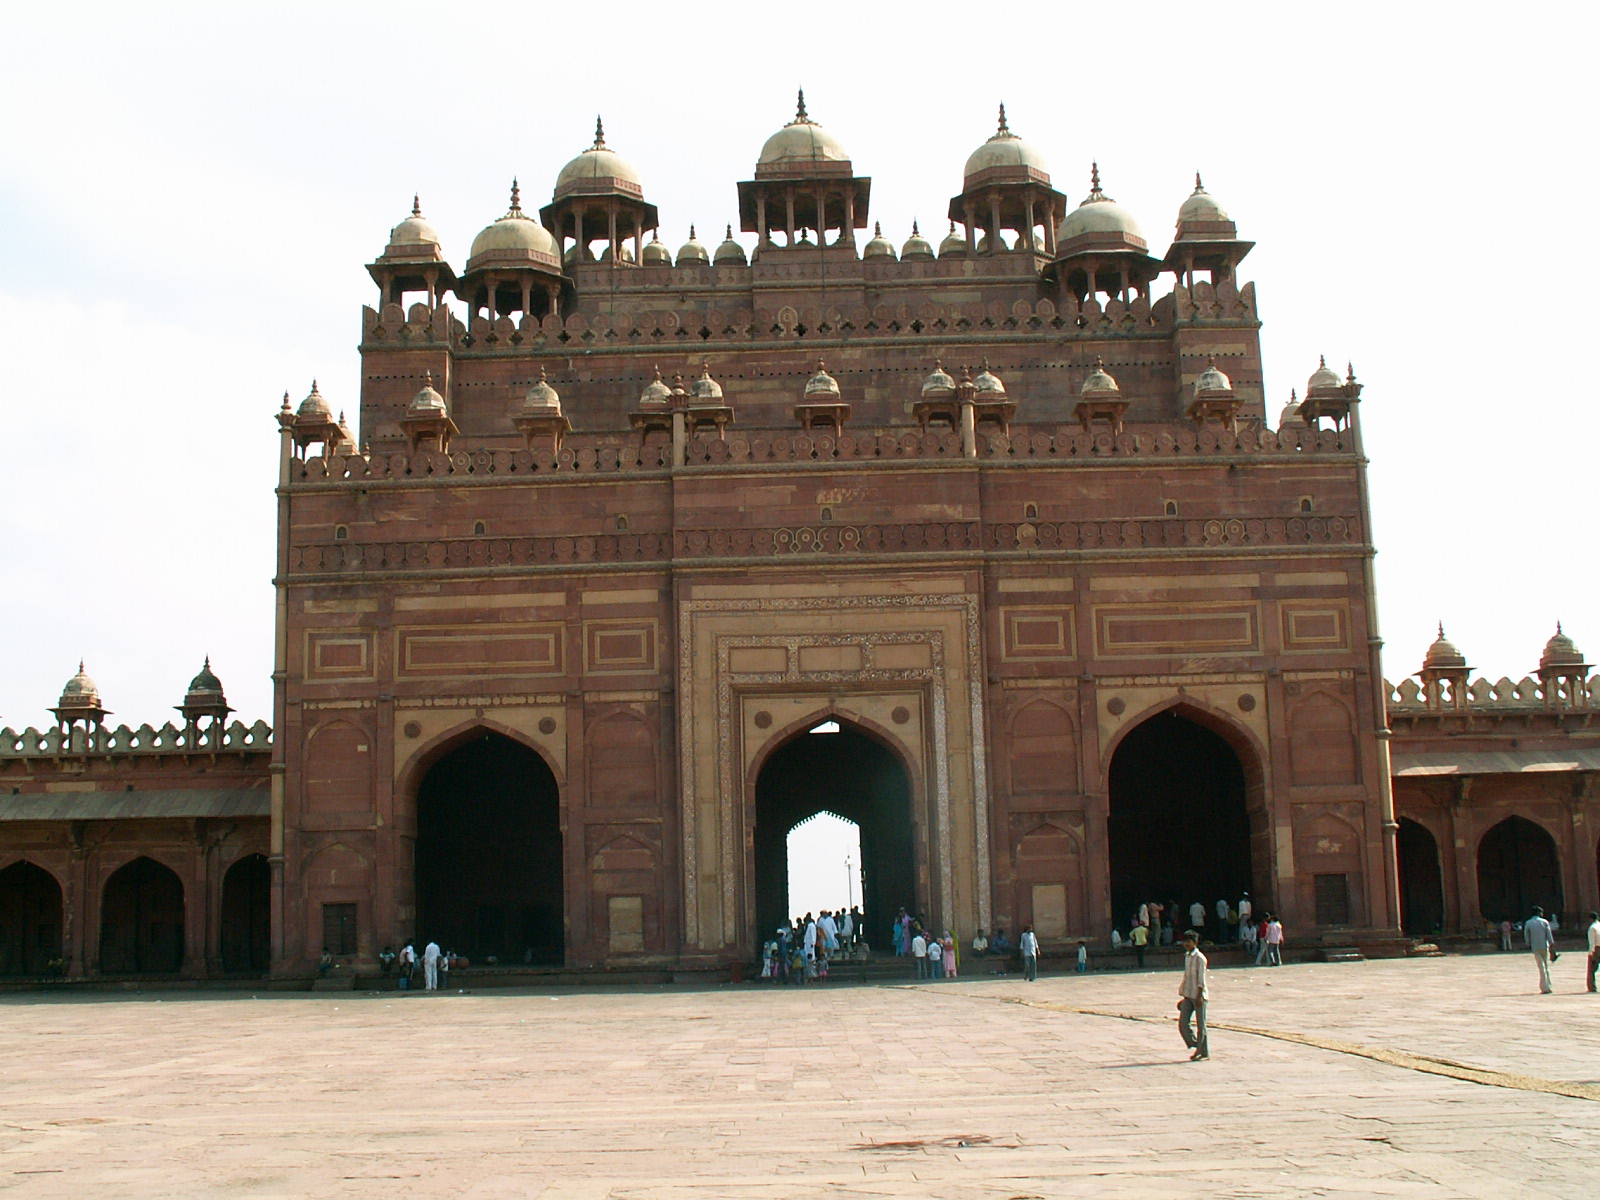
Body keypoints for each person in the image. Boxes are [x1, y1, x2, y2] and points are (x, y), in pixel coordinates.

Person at [1177, 929, 1209, 1060]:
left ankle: (1202, 1051)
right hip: (1189, 995)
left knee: (1201, 1025)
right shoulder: (1187, 957)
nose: (1186, 944)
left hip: (1199, 996)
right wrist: (1184, 996)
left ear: (1195, 942)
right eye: (1185, 942)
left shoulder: (1200, 958)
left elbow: (1201, 979)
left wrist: (1200, 996)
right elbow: (1187, 977)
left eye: (1189, 942)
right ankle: (1196, 1044)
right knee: (1183, 1023)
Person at [1525, 905, 1556, 995]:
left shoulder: (1529, 923)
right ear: (1539, 913)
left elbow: (1527, 935)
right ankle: (1549, 986)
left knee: (1541, 967)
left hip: (1535, 947)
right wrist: (1551, 944)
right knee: (1546, 966)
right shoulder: (1544, 922)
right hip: (1544, 946)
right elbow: (1549, 935)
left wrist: (1528, 943)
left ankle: (1544, 987)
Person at [1585, 911, 1599, 994]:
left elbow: (1592, 942)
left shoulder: (1592, 928)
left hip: (1596, 949)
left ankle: (1592, 987)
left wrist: (1591, 953)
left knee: (1591, 970)